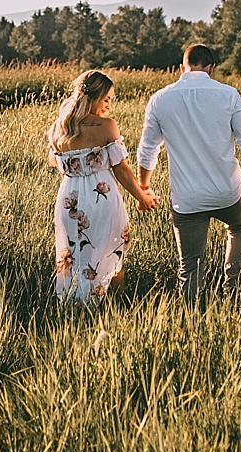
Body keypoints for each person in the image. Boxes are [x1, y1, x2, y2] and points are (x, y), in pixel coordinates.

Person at [137, 44, 241, 306]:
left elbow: (147, 151)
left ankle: (190, 319)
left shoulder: (160, 99)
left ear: (181, 68)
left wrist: (143, 187)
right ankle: (232, 291)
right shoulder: (228, 94)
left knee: (189, 266)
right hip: (228, 192)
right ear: (211, 68)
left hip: (187, 199)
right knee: (238, 227)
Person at [48, 70, 159, 305]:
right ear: (95, 97)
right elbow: (121, 170)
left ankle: (72, 305)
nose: (109, 106)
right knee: (112, 251)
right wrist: (142, 197)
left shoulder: (60, 127)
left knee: (74, 256)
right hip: (101, 199)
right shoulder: (106, 126)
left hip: (69, 198)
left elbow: (58, 164)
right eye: (107, 99)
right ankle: (113, 307)